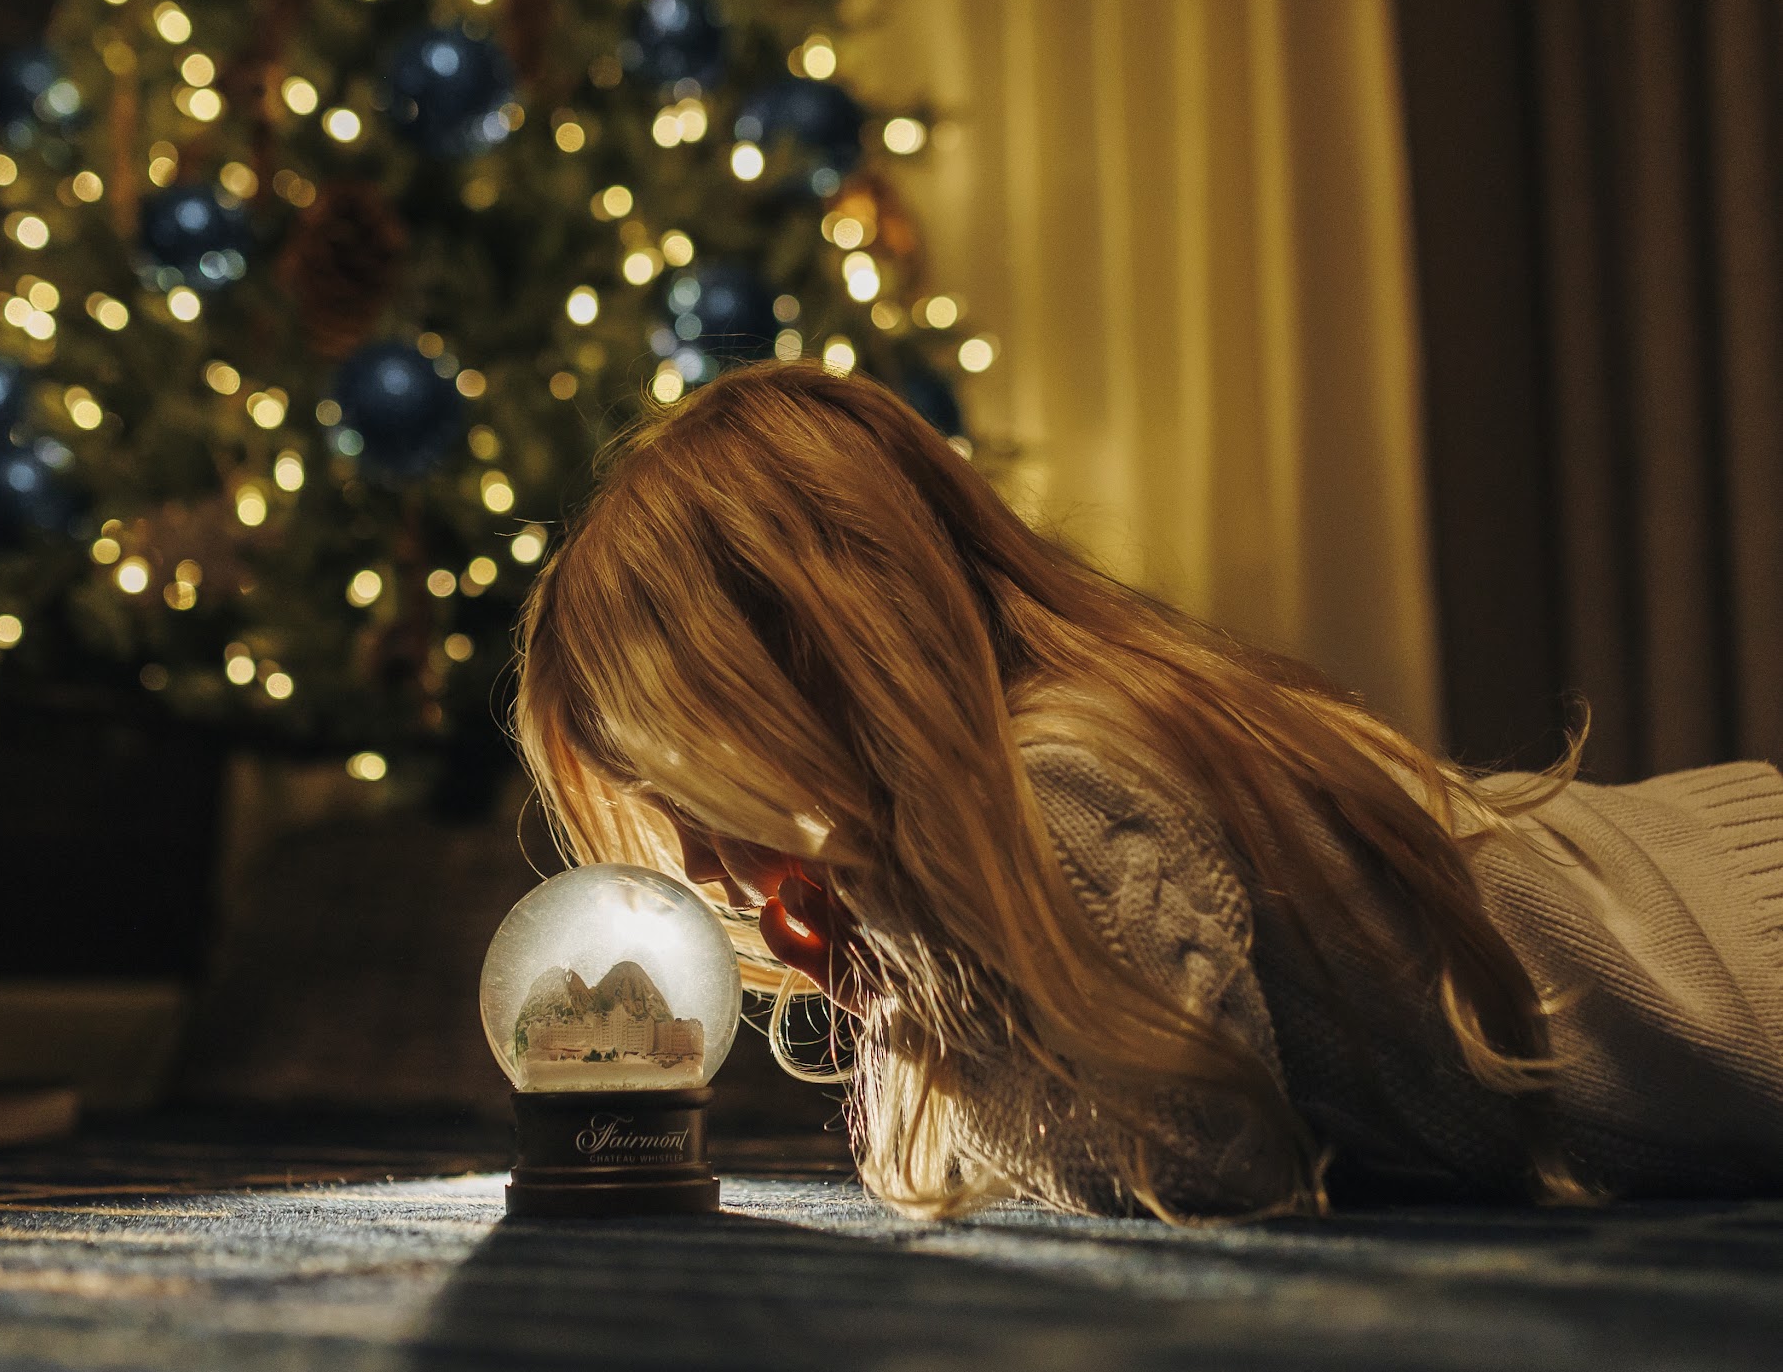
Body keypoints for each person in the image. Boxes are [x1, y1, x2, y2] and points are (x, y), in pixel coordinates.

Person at [513, 363, 1783, 1220]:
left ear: (814, 660)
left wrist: (914, 956)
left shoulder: (1067, 788)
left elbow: (1193, 1158)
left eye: (690, 780)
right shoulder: (1051, 775)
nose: (697, 860)